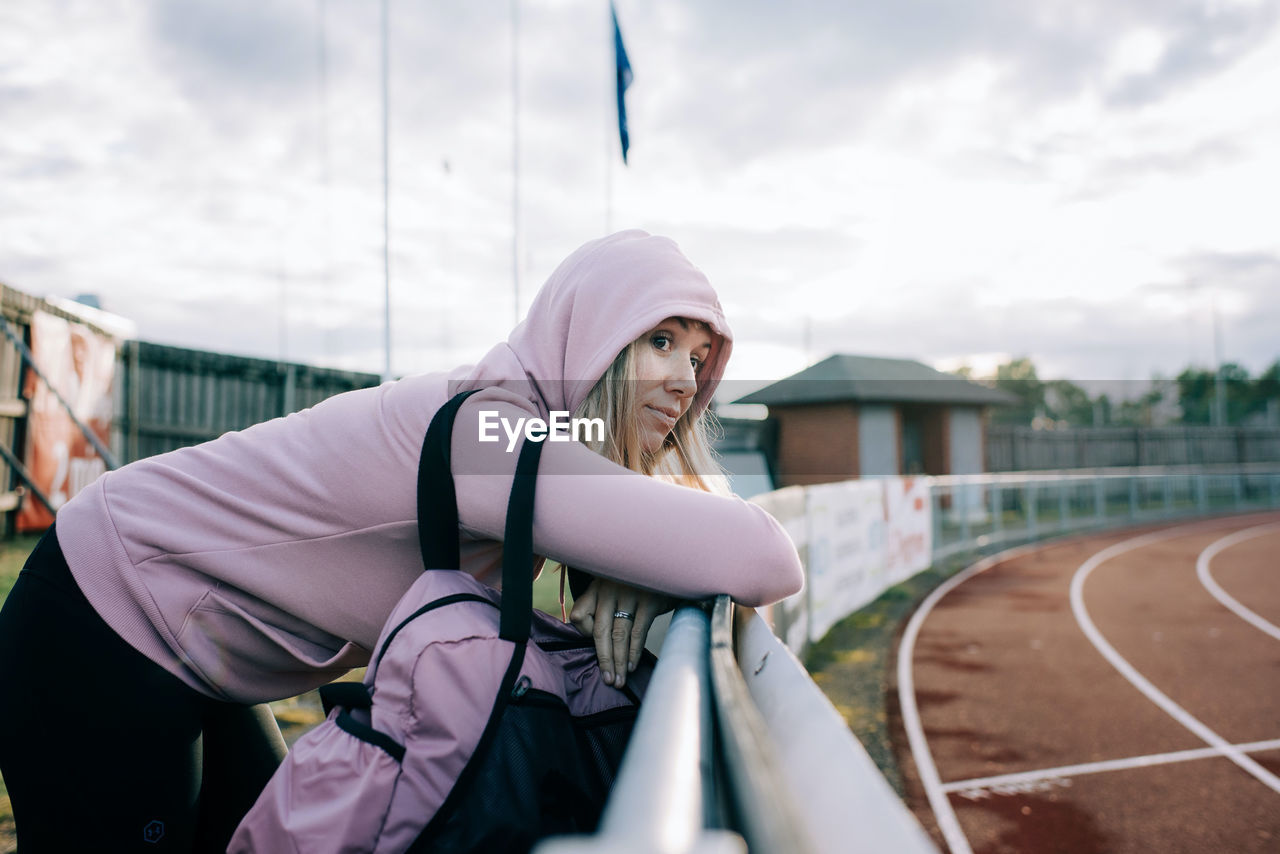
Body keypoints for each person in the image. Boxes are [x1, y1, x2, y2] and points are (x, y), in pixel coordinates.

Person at [0, 230, 804, 852]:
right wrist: (655, 556)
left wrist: (649, 567)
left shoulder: (520, 429)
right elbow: (767, 555)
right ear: (589, 333)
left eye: (701, 358)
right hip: (99, 622)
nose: (685, 378)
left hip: (185, 651)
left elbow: (706, 534)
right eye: (660, 340)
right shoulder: (494, 436)